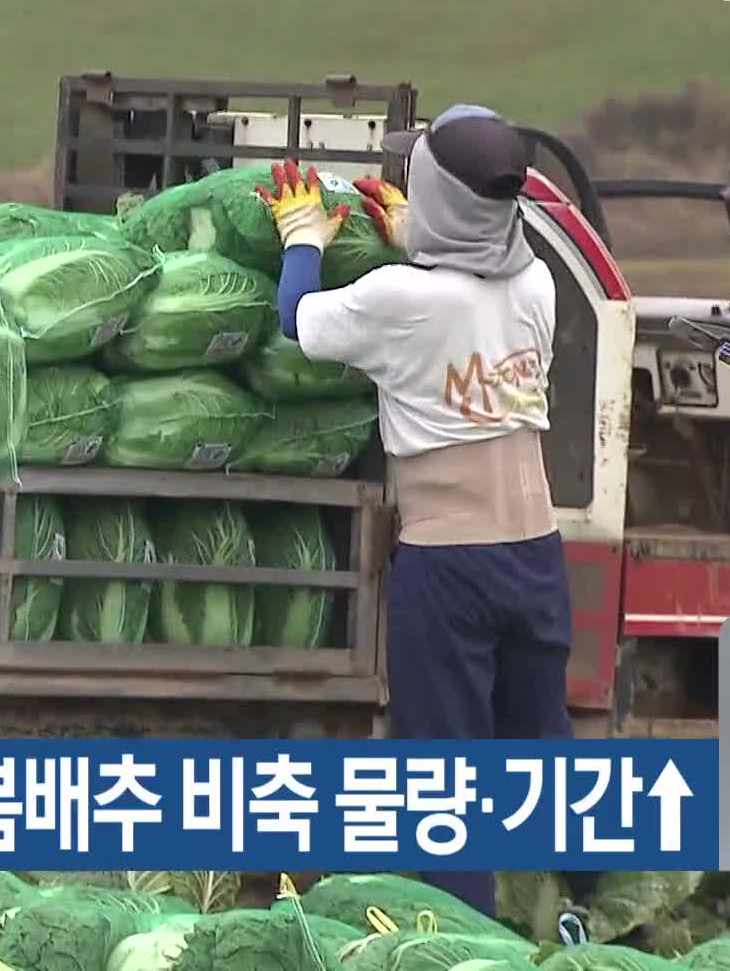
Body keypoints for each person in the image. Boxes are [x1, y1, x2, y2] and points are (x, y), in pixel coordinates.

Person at [258, 102, 573, 918]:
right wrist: (423, 235)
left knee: (447, 771)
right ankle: (583, 907)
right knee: (541, 746)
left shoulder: (398, 299)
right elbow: (477, 277)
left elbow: (297, 320)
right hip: (536, 554)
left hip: (450, 563)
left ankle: (466, 934)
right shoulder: (536, 283)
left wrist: (301, 238)